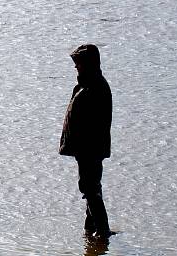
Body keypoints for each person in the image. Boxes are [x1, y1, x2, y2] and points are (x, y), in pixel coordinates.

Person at [59, 44, 113, 239]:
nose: (76, 68)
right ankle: (91, 230)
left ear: (88, 64)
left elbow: (94, 123)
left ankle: (102, 230)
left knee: (90, 187)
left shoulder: (95, 87)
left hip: (90, 148)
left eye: (79, 64)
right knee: (90, 187)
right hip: (87, 148)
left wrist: (80, 146)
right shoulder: (89, 84)